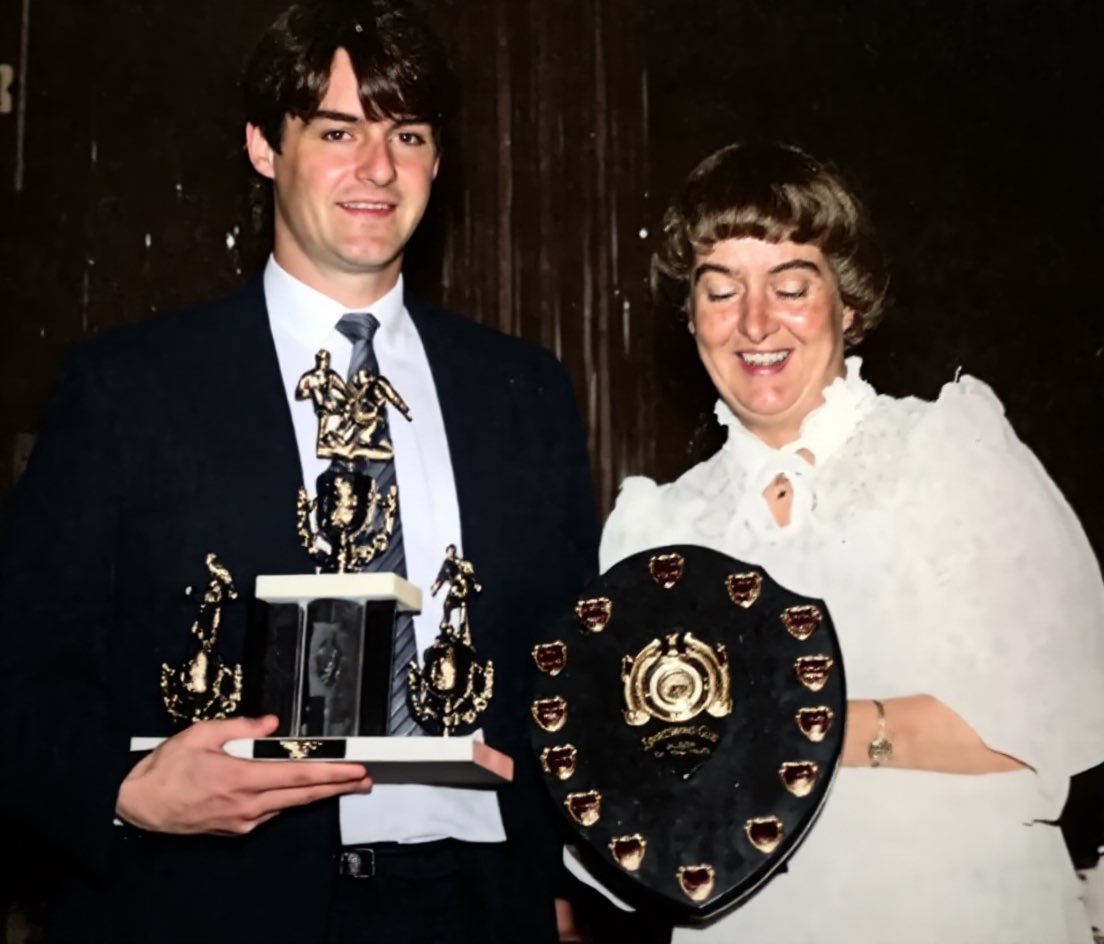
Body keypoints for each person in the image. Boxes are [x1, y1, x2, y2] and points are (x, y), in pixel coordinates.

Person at [0, 2, 597, 942]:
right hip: (210, 903)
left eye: (407, 132)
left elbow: (571, 661)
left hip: (480, 903)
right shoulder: (129, 387)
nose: (377, 166)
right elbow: (18, 666)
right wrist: (121, 791)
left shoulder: (526, 391)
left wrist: (568, 868)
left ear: (438, 160)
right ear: (262, 147)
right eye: (336, 130)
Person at [567, 141, 1104, 942]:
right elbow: (627, 806)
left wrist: (778, 726)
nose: (755, 323)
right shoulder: (657, 528)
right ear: (690, 318)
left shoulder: (950, 453)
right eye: (720, 292)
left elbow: (1060, 713)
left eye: (790, 286)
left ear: (847, 305)